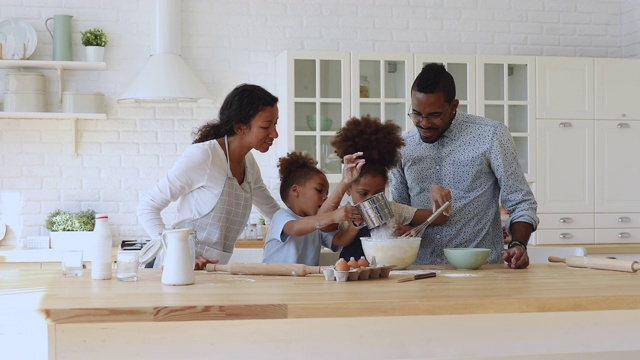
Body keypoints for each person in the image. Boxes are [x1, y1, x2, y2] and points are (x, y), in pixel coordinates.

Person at [389, 63, 539, 269]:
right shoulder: (403, 147)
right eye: (416, 114)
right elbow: (399, 211)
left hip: (481, 272)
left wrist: (518, 244)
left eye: (434, 115)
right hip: (421, 272)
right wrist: (399, 230)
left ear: (453, 107)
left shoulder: (491, 136)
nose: (424, 123)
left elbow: (521, 202)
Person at [137, 84, 282, 269]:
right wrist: (177, 249)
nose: (274, 133)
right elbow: (147, 206)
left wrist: (318, 222)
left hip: (213, 272)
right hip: (175, 268)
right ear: (240, 127)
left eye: (275, 123)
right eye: (266, 126)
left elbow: (274, 213)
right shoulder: (204, 156)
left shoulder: (249, 163)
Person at [330, 115, 450, 262]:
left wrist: (439, 195)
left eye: (379, 192)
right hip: (353, 277)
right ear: (349, 189)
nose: (371, 199)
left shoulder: (393, 210)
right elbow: (323, 225)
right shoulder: (345, 215)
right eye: (363, 193)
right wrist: (344, 181)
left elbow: (441, 217)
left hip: (388, 276)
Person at [262, 151, 365, 266]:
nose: (325, 197)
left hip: (303, 282)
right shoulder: (281, 216)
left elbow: (340, 240)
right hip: (276, 281)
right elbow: (295, 228)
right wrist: (332, 216)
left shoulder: (317, 223)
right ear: (296, 191)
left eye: (326, 193)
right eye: (319, 190)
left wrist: (355, 225)